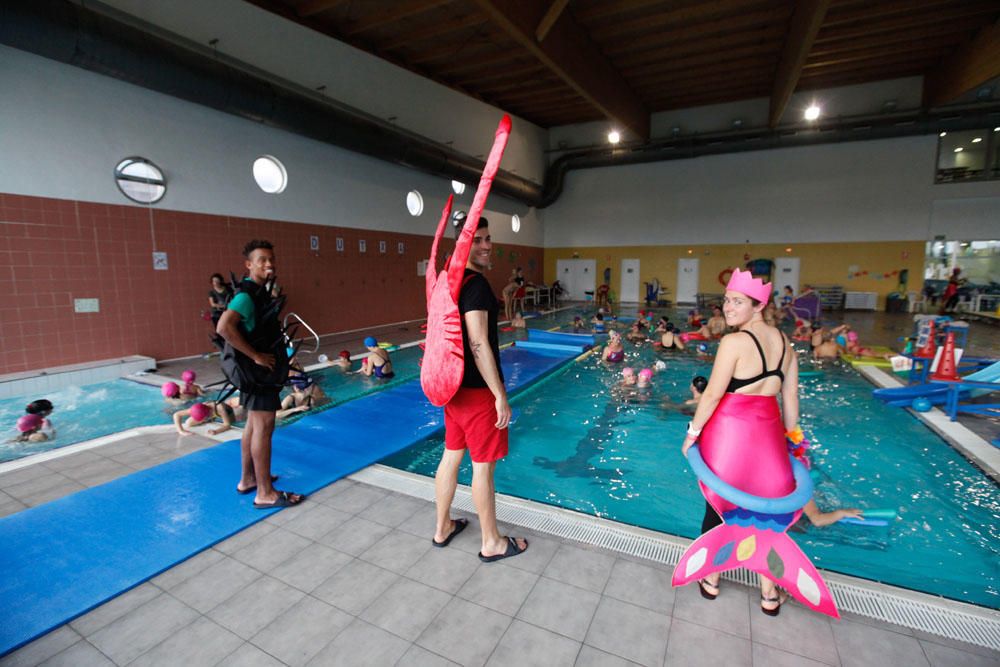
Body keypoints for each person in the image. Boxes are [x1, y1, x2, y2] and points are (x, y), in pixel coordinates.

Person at [681, 268, 799, 615]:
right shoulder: (785, 344)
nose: (727, 308)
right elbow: (790, 398)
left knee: (718, 506)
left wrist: (692, 434)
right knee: (767, 515)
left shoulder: (734, 342)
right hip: (770, 438)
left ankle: (712, 580)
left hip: (730, 435)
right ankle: (769, 595)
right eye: (727, 300)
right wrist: (793, 443)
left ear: (758, 305)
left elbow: (714, 394)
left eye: (736, 301)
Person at [433, 217, 528, 561]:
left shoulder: (447, 280)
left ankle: (442, 527)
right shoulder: (475, 286)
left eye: (488, 239)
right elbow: (477, 342)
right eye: (478, 240)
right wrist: (500, 393)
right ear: (463, 244)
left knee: (450, 457)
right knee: (483, 467)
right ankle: (492, 542)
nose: (487, 246)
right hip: (476, 394)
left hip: (453, 390)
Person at [217, 239, 304, 508]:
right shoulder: (245, 296)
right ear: (248, 265)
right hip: (258, 373)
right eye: (262, 260)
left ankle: (249, 479)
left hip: (255, 373)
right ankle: (265, 493)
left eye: (271, 259)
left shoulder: (257, 292)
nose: (269, 264)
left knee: (253, 427)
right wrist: (255, 356)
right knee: (263, 429)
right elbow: (224, 327)